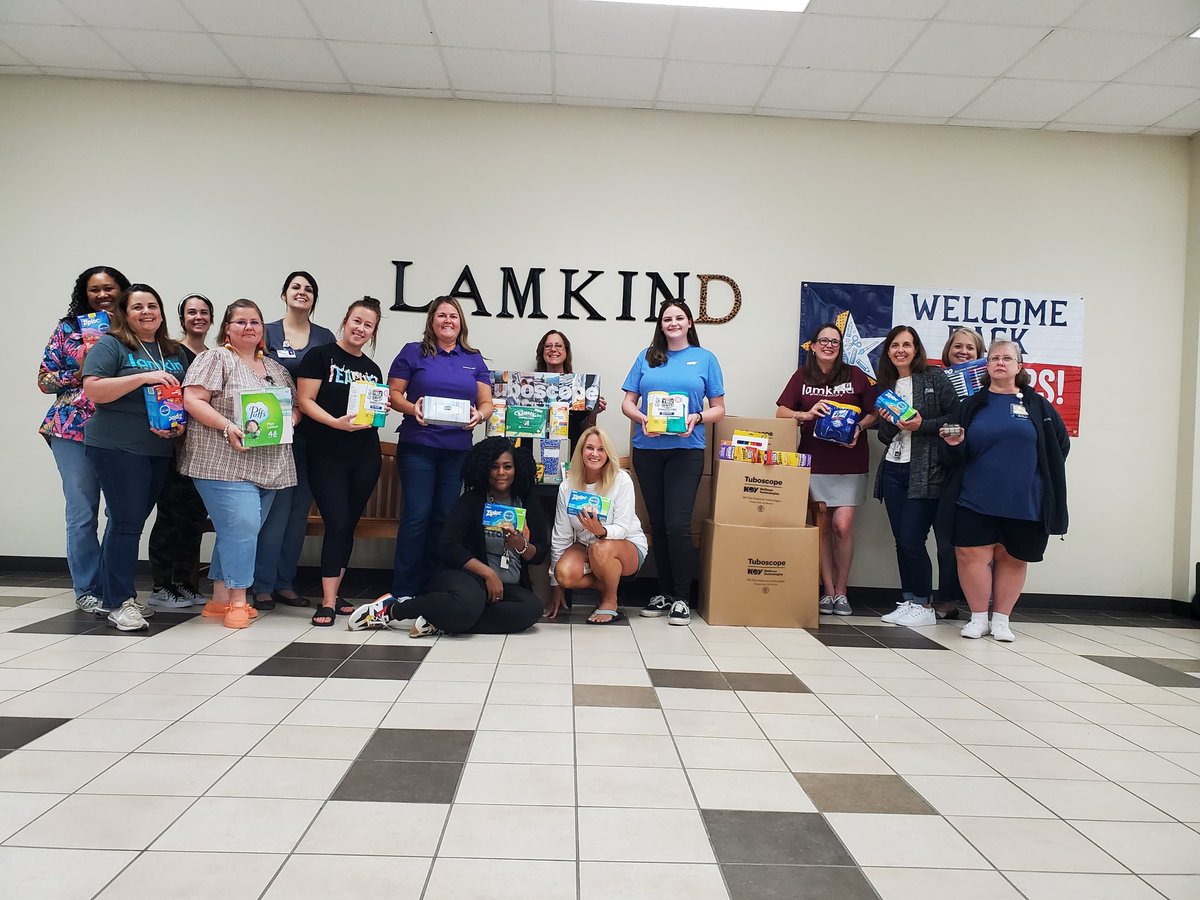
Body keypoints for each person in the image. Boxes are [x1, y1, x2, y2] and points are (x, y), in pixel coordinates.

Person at [938, 340, 1069, 643]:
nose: (1000, 362)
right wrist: (955, 445)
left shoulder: (1037, 405)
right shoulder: (971, 404)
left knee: (1013, 557)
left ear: (1019, 366)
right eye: (994, 357)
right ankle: (978, 618)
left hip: (1024, 499)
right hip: (975, 496)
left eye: (1007, 358)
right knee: (971, 554)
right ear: (986, 366)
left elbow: (1058, 445)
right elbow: (952, 452)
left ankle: (1001, 620)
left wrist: (1037, 474)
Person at [348, 436, 545, 637]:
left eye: (507, 467)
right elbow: (448, 545)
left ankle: (441, 619)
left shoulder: (526, 501)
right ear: (484, 469)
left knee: (530, 610)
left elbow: (540, 553)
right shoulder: (472, 500)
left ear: (516, 468)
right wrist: (488, 573)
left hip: (507, 585)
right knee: (467, 606)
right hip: (468, 579)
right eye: (494, 467)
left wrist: (521, 546)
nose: (501, 473)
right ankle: (391, 610)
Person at [181, 300, 299, 629]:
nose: (249, 327)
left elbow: (294, 408)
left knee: (238, 532)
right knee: (244, 527)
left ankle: (218, 600)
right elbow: (192, 399)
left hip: (269, 465)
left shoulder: (277, 369)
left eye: (255, 322)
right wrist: (226, 426)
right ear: (227, 329)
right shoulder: (216, 358)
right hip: (222, 463)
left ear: (263, 330)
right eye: (241, 322)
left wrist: (287, 420)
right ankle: (237, 601)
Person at [81, 284, 189, 631]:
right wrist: (143, 377)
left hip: (157, 449)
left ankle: (104, 592)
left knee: (128, 522)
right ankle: (118, 602)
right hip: (116, 447)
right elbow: (94, 389)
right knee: (127, 523)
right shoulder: (112, 345)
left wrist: (177, 429)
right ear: (125, 314)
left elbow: (183, 398)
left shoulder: (173, 350)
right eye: (138, 307)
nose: (147, 312)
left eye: (153, 306)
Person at [621, 300, 725, 626]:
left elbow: (719, 408)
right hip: (648, 449)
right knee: (658, 524)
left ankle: (682, 598)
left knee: (679, 525)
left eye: (679, 317)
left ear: (690, 322)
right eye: (668, 318)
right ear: (661, 324)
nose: (673, 323)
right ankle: (664, 593)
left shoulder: (706, 359)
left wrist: (697, 416)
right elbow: (627, 402)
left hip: (687, 450)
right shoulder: (646, 356)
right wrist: (642, 419)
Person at [38, 265, 131, 614]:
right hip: (71, 429)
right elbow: (44, 380)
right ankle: (87, 588)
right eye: (95, 289)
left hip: (122, 430)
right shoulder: (68, 328)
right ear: (85, 294)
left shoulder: (132, 328)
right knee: (81, 513)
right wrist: (77, 372)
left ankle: (113, 586)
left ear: (123, 290)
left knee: (121, 513)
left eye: (110, 288)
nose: (103, 294)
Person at [387, 296, 493, 598]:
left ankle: (437, 587)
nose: (448, 320)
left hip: (457, 450)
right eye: (442, 315)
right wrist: (411, 408)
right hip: (419, 446)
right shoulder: (413, 352)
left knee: (445, 519)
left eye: (454, 316)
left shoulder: (473, 358)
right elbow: (393, 393)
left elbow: (486, 402)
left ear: (461, 323)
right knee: (417, 516)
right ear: (431, 321)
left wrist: (479, 415)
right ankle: (405, 590)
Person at [296, 297, 388, 626]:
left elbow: (370, 415)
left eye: (368, 325)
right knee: (335, 522)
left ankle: (336, 591)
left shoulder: (372, 369)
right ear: (345, 321)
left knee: (348, 524)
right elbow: (304, 401)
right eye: (357, 321)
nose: (361, 329)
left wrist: (381, 411)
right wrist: (334, 422)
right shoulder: (320, 356)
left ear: (373, 332)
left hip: (364, 455)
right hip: (326, 453)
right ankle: (328, 601)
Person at [776, 322, 877, 617]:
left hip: (850, 462)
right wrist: (804, 414)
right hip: (814, 462)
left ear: (840, 347)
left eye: (835, 341)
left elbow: (874, 412)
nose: (829, 345)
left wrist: (859, 426)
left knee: (842, 526)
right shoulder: (802, 376)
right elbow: (781, 410)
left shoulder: (856, 376)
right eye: (824, 341)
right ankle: (827, 592)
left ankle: (843, 593)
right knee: (821, 529)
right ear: (814, 346)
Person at [253, 271, 335, 610]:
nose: (302, 293)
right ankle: (260, 584)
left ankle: (285, 582)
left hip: (313, 436)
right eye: (296, 287)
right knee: (273, 511)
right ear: (284, 293)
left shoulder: (325, 336)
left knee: (298, 511)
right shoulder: (266, 332)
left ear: (315, 298)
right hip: (273, 437)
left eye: (309, 289)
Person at [872, 326, 958, 627]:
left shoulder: (934, 377)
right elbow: (884, 436)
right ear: (888, 352)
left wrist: (921, 424)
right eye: (895, 345)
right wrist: (891, 423)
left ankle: (923, 604)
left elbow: (955, 417)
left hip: (926, 470)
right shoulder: (885, 386)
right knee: (901, 540)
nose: (901, 350)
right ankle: (909, 599)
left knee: (912, 539)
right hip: (894, 468)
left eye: (907, 345)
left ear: (916, 349)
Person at [146, 293, 214, 609]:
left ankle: (186, 584)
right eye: (191, 312)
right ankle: (162, 585)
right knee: (170, 516)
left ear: (212, 319)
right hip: (174, 447)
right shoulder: (171, 353)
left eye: (204, 312)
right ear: (182, 318)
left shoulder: (216, 356)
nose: (198, 317)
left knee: (194, 517)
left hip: (204, 452)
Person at [534, 328, 608, 617]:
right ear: (542, 352)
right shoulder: (531, 387)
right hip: (540, 472)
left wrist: (594, 410)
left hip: (570, 474)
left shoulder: (581, 387)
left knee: (571, 529)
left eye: (559, 345)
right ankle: (548, 590)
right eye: (548, 345)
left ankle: (570, 591)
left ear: (566, 352)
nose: (553, 349)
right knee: (545, 531)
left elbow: (585, 433)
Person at [550, 426, 647, 623]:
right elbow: (561, 535)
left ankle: (610, 600)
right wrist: (556, 586)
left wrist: (602, 532)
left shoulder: (621, 480)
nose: (595, 454)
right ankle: (608, 584)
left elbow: (623, 527)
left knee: (600, 548)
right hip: (586, 546)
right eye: (589, 448)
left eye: (601, 449)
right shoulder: (567, 486)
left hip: (626, 546)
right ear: (581, 451)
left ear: (608, 454)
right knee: (565, 574)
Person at [931, 327, 987, 619]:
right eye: (958, 347)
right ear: (947, 351)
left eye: (970, 349)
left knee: (984, 543)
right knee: (946, 542)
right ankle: (947, 598)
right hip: (945, 470)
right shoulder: (935, 381)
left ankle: (982, 601)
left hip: (981, 472)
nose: (963, 352)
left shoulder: (990, 390)